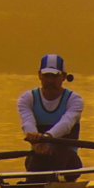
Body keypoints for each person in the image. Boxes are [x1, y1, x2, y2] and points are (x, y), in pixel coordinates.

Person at [18, 53, 84, 181]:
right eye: (46, 75)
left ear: (64, 77)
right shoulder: (27, 98)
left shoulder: (74, 100)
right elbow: (27, 122)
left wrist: (47, 138)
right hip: (38, 155)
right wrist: (34, 138)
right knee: (36, 160)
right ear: (39, 75)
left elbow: (66, 124)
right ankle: (34, 187)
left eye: (54, 76)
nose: (49, 81)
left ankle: (42, 185)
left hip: (69, 164)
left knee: (56, 156)